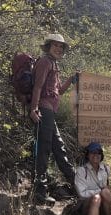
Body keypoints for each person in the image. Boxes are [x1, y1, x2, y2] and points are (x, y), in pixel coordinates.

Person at [30, 33, 77, 203]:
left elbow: (59, 92)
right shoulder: (44, 62)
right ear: (48, 46)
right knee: (44, 149)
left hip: (50, 112)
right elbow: (38, 86)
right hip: (43, 110)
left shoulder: (54, 65)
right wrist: (34, 109)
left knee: (59, 148)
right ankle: (40, 192)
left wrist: (71, 79)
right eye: (55, 45)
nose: (58, 49)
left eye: (61, 46)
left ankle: (77, 184)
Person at [75, 142, 111, 215]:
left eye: (98, 153)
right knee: (97, 197)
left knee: (106, 192)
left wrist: (103, 192)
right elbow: (82, 194)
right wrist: (98, 191)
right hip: (85, 204)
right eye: (92, 152)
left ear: (101, 155)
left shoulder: (105, 169)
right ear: (87, 155)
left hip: (102, 203)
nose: (95, 155)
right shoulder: (81, 171)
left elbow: (106, 188)